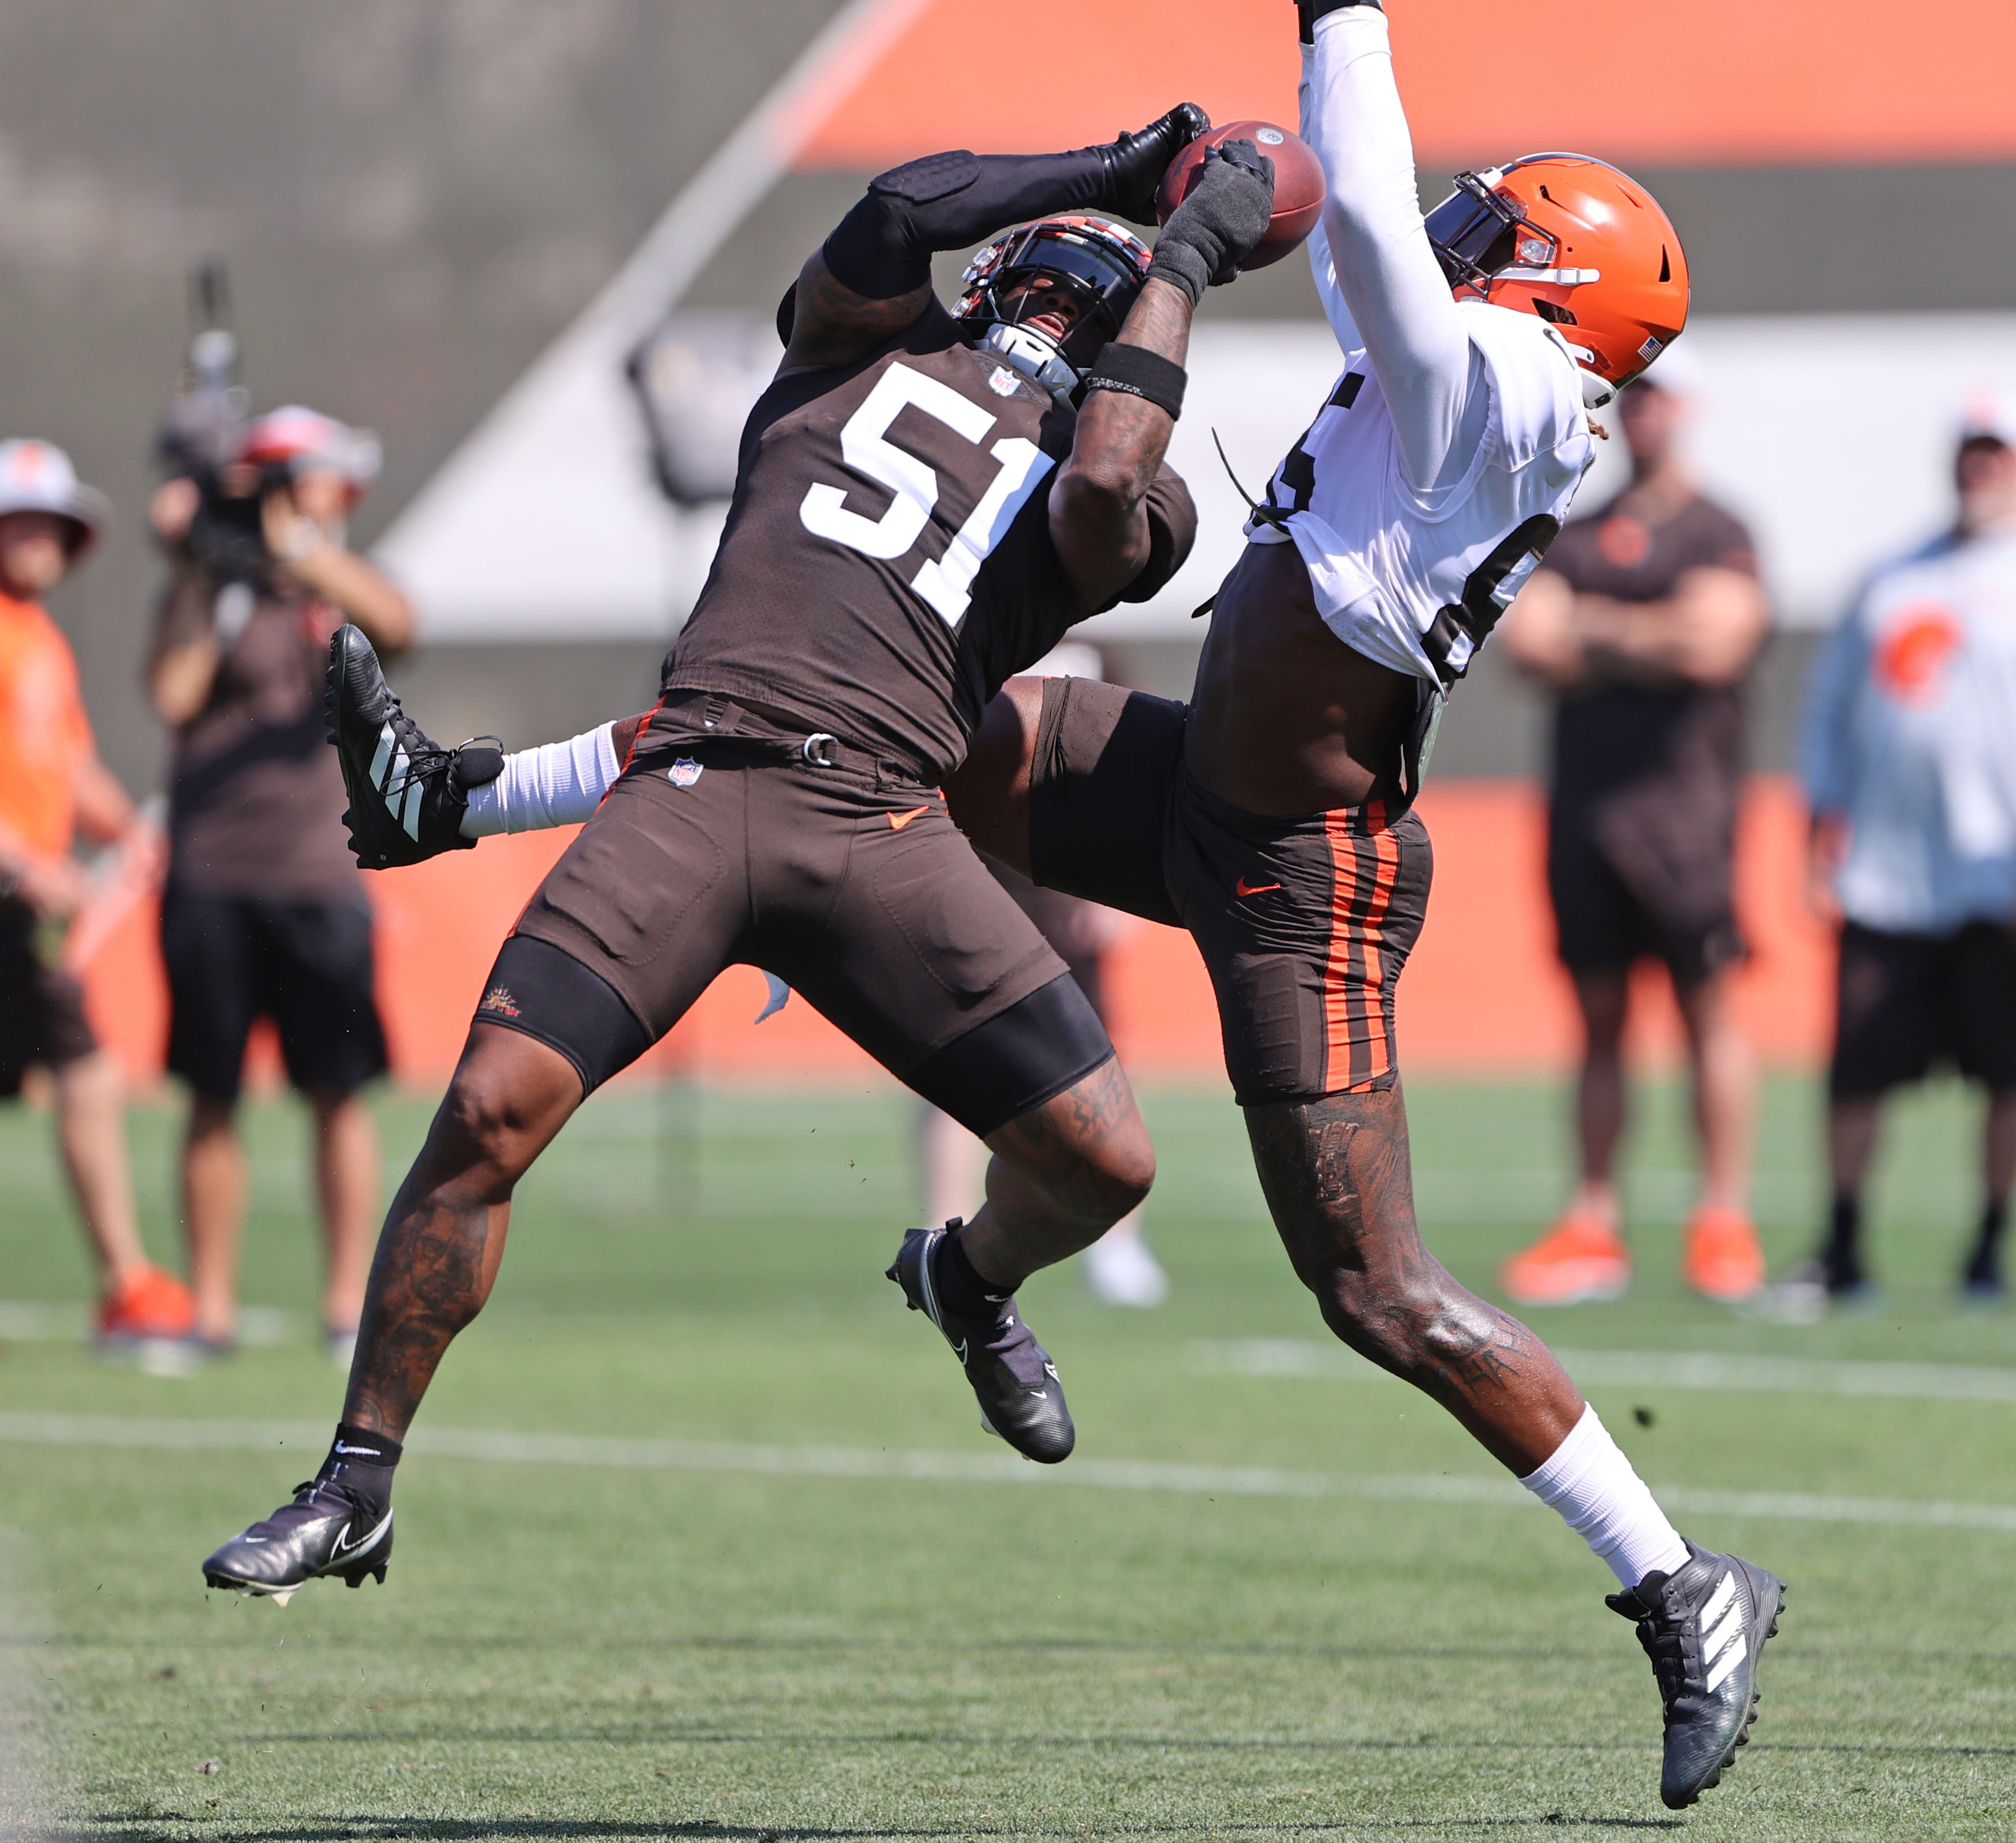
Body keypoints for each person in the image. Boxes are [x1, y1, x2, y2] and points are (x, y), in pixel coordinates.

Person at [299, 8, 1787, 1809]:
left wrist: (1345, 26)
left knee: (1373, 1286)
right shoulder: (1453, 365)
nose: (1459, 236)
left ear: (1551, 292)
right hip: (1185, 783)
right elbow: (1360, 229)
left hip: (1294, 868)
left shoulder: (1513, 390)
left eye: (1500, 234)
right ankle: (470, 802)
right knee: (840, 718)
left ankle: (1675, 1578)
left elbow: (1379, 238)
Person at [201, 109, 1255, 1591]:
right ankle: (356, 1476)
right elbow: (898, 202)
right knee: (487, 1116)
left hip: (880, 815)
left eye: (1091, 302)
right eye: (1048, 277)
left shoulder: (1132, 491)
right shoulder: (844, 346)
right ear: (996, 269)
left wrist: (1187, 255)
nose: (1056, 308)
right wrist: (1119, 176)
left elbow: (1098, 493)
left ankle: (969, 1277)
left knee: (1102, 1160)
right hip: (692, 788)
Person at [1495, 362, 1772, 1306]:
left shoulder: (1719, 530)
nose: (1642, 411)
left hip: (1688, 820)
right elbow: (1530, 642)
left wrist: (1597, 633)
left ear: (1683, 409)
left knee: (1708, 1017)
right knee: (1598, 1023)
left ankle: (1722, 1221)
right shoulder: (1565, 535)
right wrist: (1655, 631)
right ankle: (1592, 1223)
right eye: (1631, 396)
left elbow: (1718, 642)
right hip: (1586, 818)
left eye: (1657, 396)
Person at [146, 406, 415, 1359]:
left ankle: (348, 1305)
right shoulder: (220, 588)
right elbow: (171, 694)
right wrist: (199, 568)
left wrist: (294, 546)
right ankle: (209, 1309)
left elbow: (399, 623)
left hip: (321, 874)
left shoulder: (330, 584)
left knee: (337, 1090)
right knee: (212, 1094)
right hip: (213, 876)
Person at [1783, 419, 2016, 1306]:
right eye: (1970, 450)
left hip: (1994, 881)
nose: (1979, 467)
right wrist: (1817, 836)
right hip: (1888, 872)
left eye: (1995, 452)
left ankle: (1989, 1250)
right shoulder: (1891, 577)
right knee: (1858, 1068)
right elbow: (1828, 716)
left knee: (2004, 1073)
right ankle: (1841, 1246)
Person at [0, 439, 192, 1345]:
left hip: (25, 916)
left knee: (85, 1070)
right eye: (19, 518)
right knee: (83, 1071)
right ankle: (123, 1281)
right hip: (15, 891)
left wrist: (130, 828)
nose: (38, 536)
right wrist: (19, 859)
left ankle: (124, 1282)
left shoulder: (39, 637)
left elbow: (69, 765)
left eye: (50, 521)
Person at [919, 642, 1170, 1309]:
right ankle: (940, 1236)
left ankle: (1117, 1246)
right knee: (961, 1075)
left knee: (1105, 1072)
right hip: (978, 887)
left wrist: (1117, 888)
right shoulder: (970, 636)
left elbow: (1136, 762)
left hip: (1070, 895)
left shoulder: (1101, 650)